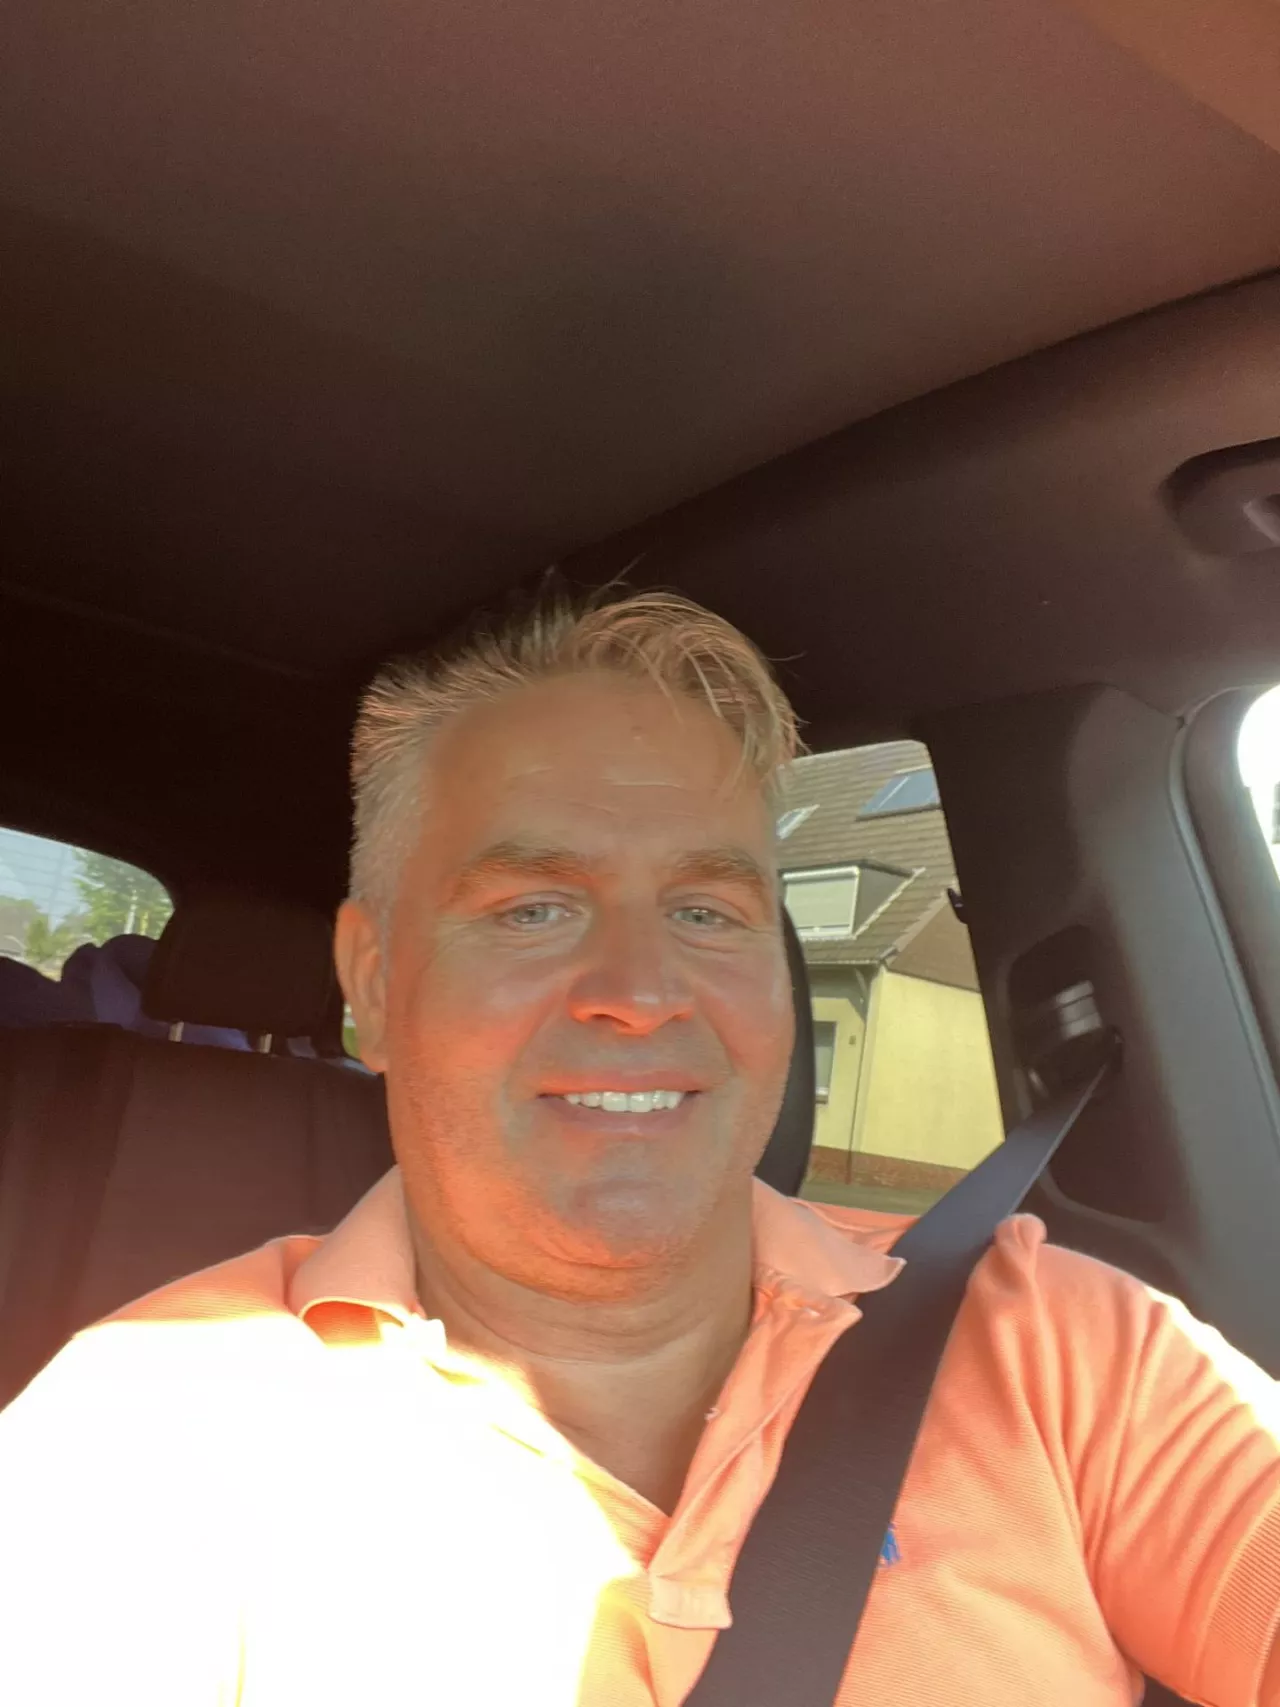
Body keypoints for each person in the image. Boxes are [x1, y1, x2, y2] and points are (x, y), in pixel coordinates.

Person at [0, 589, 1277, 1706]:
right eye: (533, 907)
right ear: (375, 982)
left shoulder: (1062, 1347)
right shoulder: (144, 1442)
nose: (642, 990)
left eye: (706, 911)